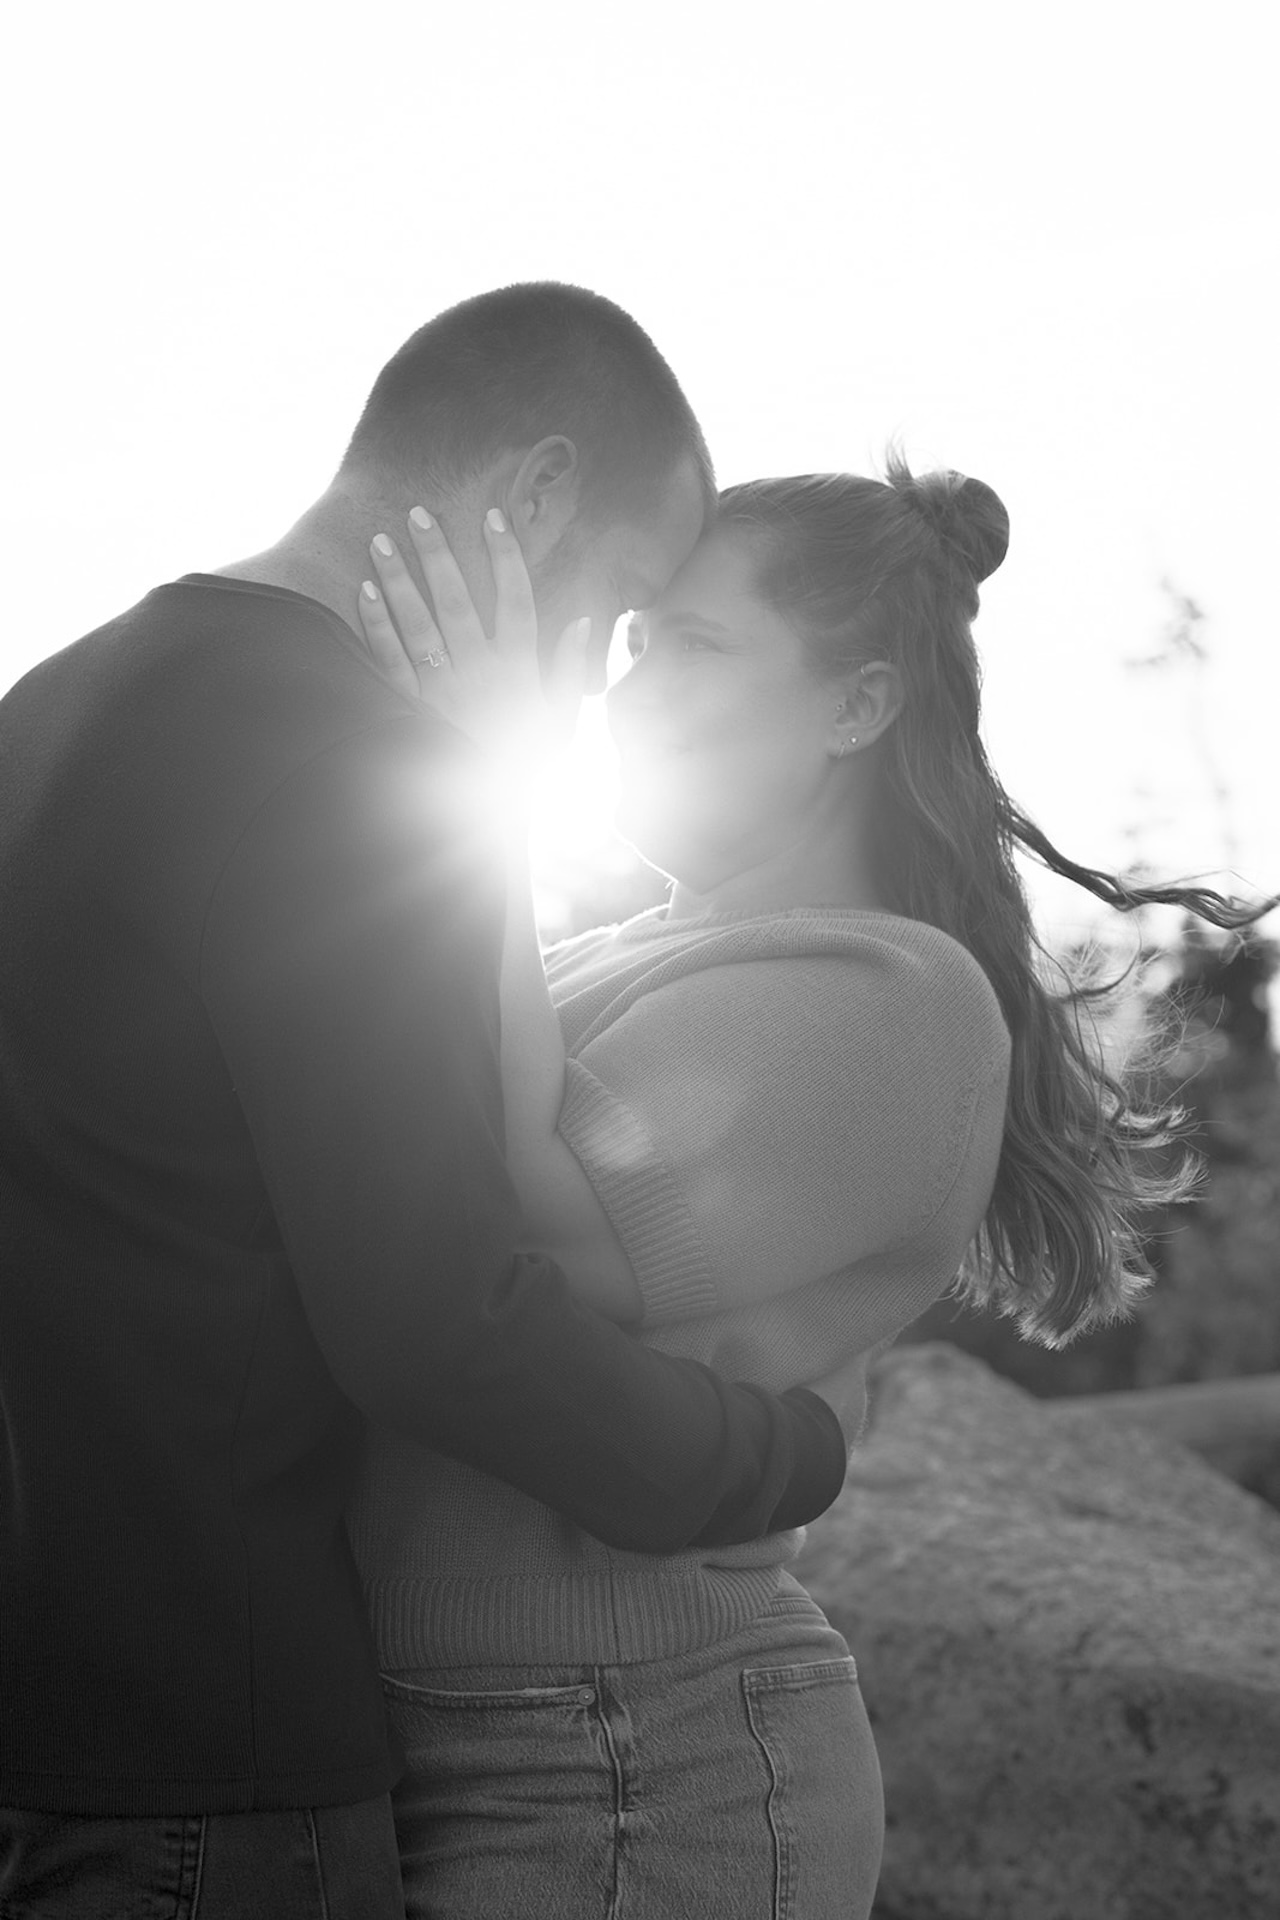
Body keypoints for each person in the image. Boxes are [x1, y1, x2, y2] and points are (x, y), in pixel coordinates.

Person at [0, 285, 862, 1920]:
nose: (601, 672)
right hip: (223, 1779)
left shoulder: (49, 706)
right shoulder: (331, 761)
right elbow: (438, 1318)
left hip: (54, 1741)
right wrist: (776, 1453)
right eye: (615, 605)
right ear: (531, 496)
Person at [349, 459, 1268, 1919]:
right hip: (459, 1734)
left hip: (627, 1764)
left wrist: (463, 775)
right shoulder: (611, 957)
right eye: (636, 643)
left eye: (697, 646)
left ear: (856, 704)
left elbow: (516, 1223)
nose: (627, 690)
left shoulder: (891, 994)